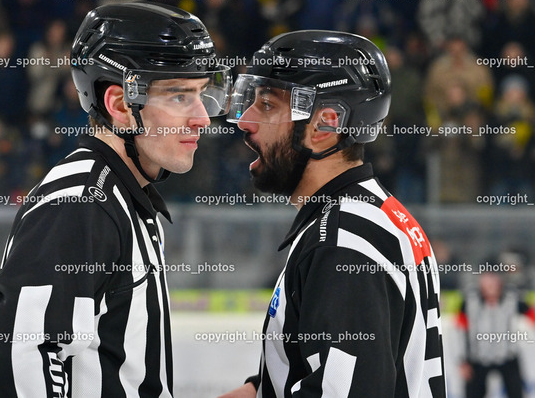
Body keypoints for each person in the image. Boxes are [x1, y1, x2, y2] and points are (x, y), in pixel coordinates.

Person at [0, 1, 231, 397]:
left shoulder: (123, 196)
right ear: (120, 105)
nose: (202, 117)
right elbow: (11, 361)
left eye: (201, 94)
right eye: (180, 97)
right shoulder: (82, 203)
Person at [220, 30, 446, 397]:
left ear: (325, 125)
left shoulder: (343, 243)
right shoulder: (372, 214)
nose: (244, 122)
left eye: (266, 106)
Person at [457, 263, 535, 398]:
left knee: (516, 392)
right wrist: (463, 360)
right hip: (477, 358)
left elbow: (530, 313)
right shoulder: (470, 300)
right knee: (472, 392)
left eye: (493, 278)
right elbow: (460, 332)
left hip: (507, 356)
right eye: (486, 278)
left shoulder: (512, 298)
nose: (490, 283)